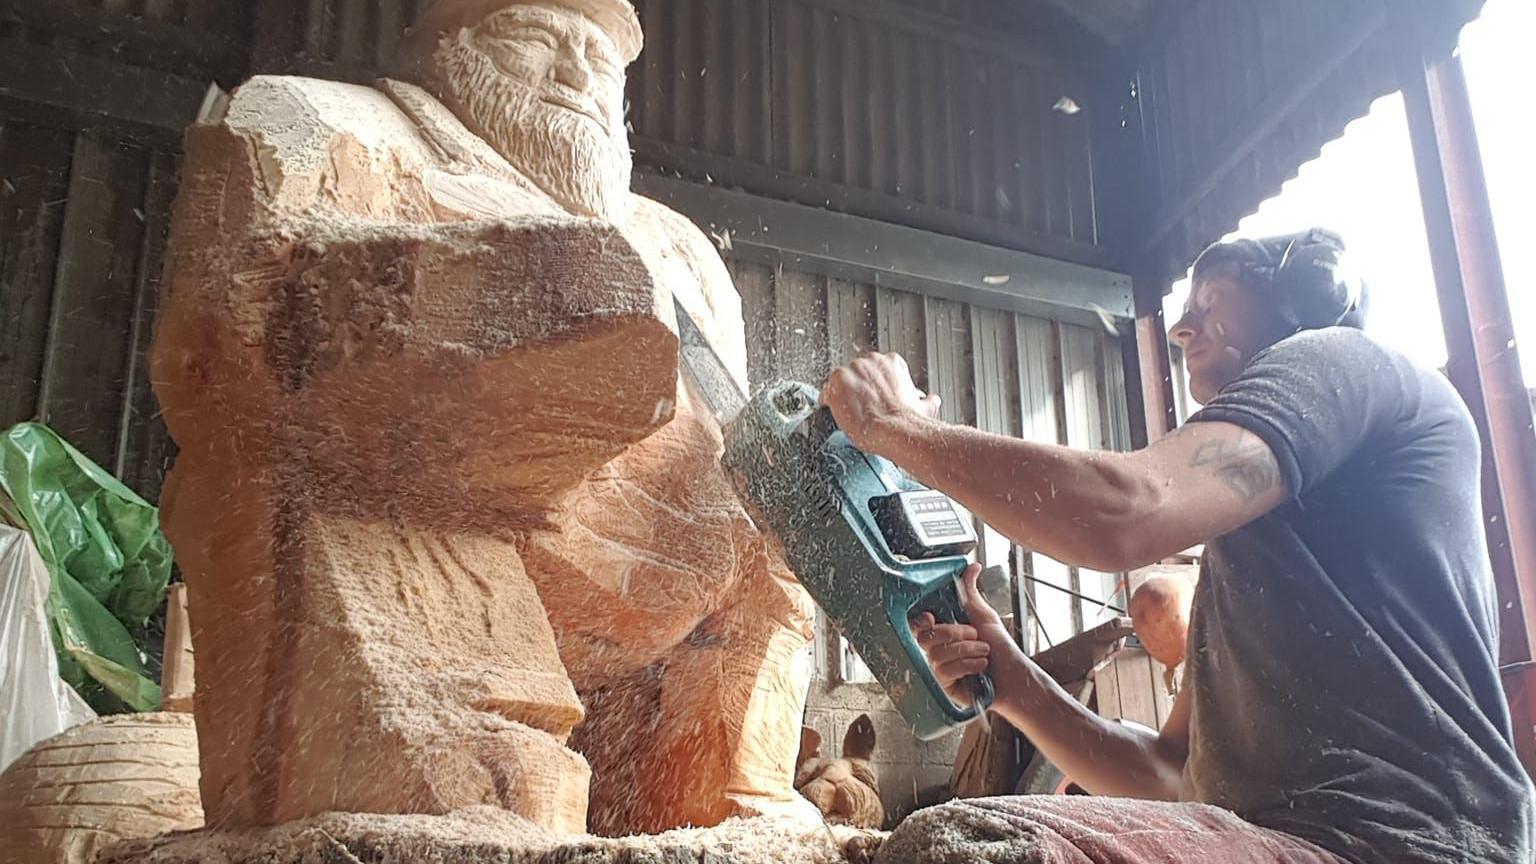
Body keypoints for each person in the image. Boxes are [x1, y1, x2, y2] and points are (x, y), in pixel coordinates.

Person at [821, 228, 1535, 863]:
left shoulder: (1341, 359)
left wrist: (894, 427)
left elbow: (1127, 512)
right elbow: (1172, 772)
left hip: (1400, 842)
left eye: (1211, 298)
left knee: (965, 849)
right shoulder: (1260, 547)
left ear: (1308, 293)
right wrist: (1011, 679)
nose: (1183, 329)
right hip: (1290, 839)